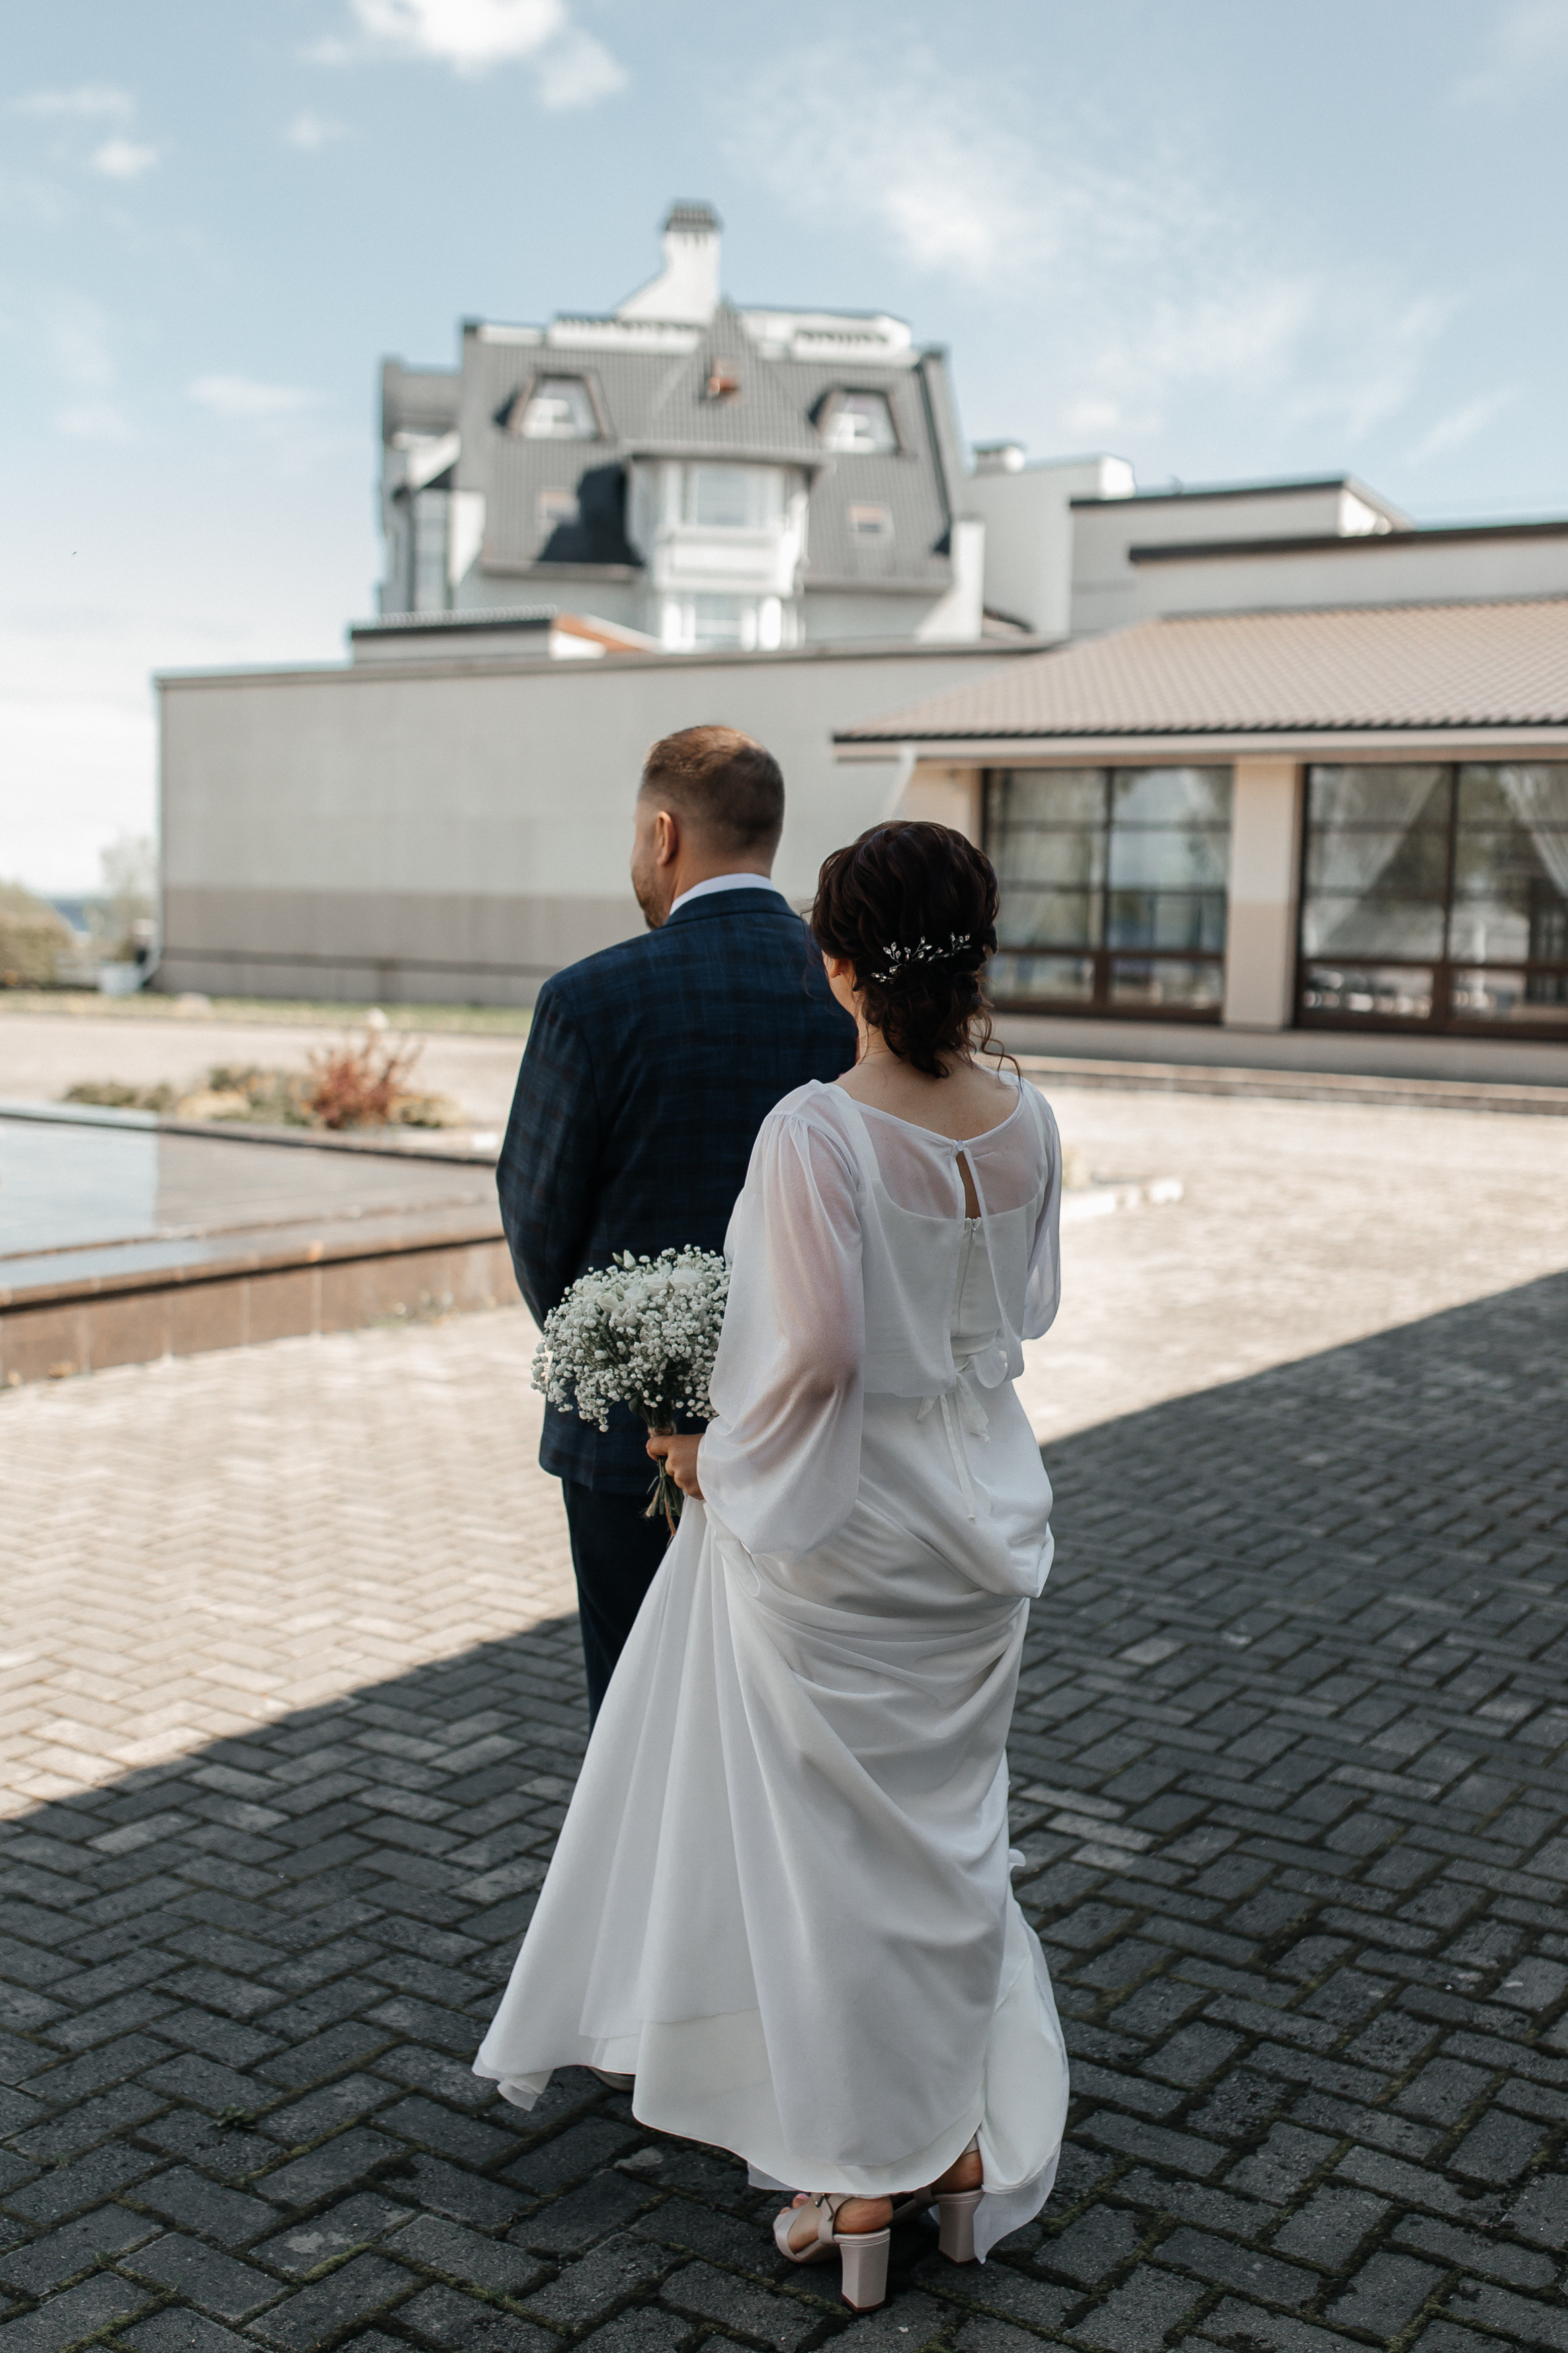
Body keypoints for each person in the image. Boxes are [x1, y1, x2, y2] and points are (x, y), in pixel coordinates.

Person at [477, 820, 1070, 2311]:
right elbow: (1029, 1314)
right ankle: (944, 2156)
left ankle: (858, 2169)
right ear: (978, 954)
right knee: (946, 1855)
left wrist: (704, 1458)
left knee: (828, 1873)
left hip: (848, 1536)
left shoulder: (818, 1128)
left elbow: (811, 1359)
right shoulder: (1030, 1120)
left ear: (839, 964)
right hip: (980, 1522)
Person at [497, 725, 854, 1720]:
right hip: (807, 1432)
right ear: (769, 839)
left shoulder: (587, 1000)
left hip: (623, 1445)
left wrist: (622, 1355)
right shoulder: (850, 1001)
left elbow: (535, 1216)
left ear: (661, 834)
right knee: (781, 1708)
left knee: (638, 1711)